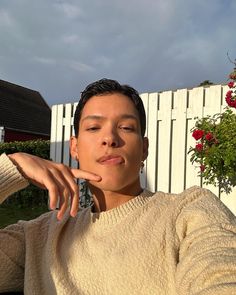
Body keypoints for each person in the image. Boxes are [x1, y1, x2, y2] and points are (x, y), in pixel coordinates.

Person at [0, 79, 236, 295]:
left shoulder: (189, 212)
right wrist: (12, 166)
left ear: (144, 148)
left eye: (126, 127)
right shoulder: (39, 237)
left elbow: (220, 273)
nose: (110, 138)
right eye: (93, 128)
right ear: (74, 147)